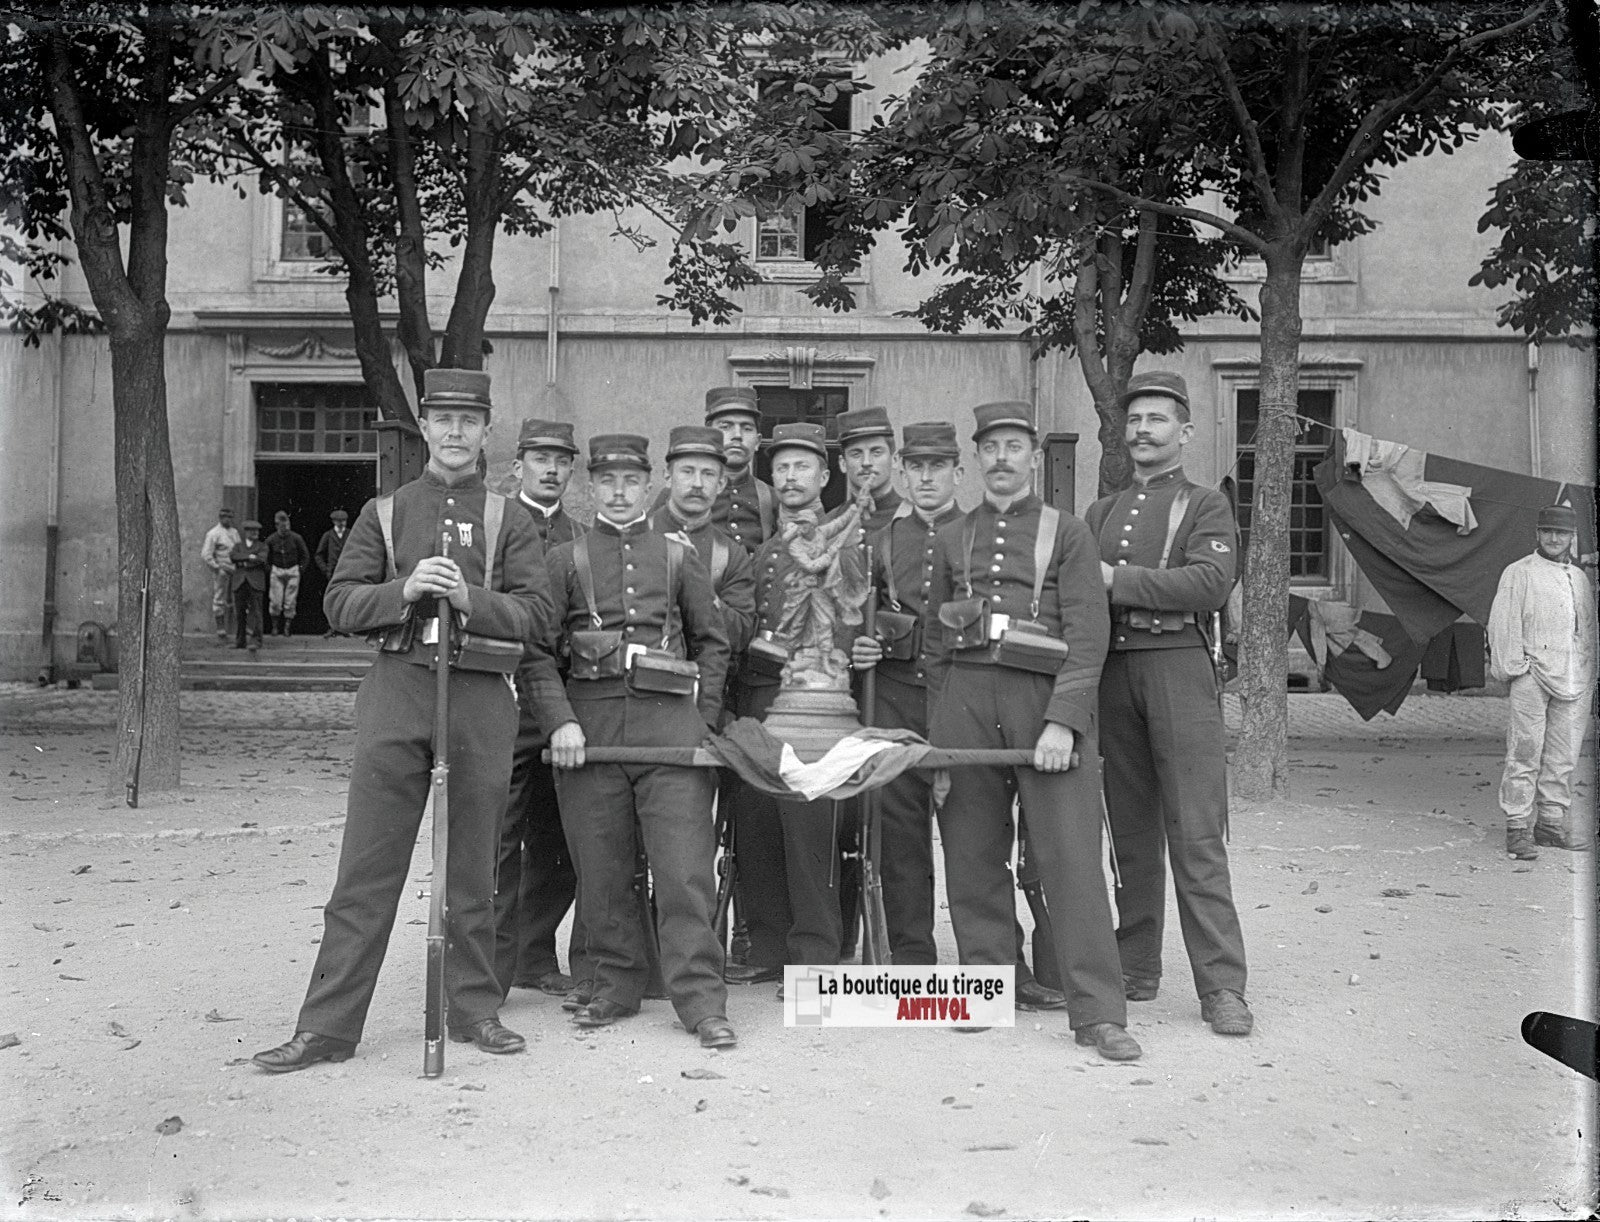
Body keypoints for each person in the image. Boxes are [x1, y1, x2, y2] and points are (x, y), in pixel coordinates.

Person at [253, 368, 552, 1072]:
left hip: (480, 698)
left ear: (487, 430)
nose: (455, 433)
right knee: (366, 869)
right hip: (397, 693)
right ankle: (328, 1026)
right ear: (423, 426)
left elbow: (540, 616)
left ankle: (473, 1009)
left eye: (469, 421)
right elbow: (339, 603)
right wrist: (405, 589)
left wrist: (473, 599)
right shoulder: (384, 513)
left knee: (472, 870)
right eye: (443, 419)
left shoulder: (508, 518)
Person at [925, 401, 1140, 1060]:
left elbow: (1089, 636)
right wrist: (938, 740)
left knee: (1070, 861)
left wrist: (1064, 723)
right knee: (970, 857)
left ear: (1033, 457)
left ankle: (1098, 1012)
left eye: (1014, 446)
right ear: (976, 457)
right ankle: (985, 992)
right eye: (990, 447)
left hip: (1044, 705)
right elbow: (935, 647)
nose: (1001, 458)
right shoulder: (952, 537)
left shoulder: (1068, 533)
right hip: (966, 707)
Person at [528, 433, 737, 1049]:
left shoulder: (677, 556)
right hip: (589, 736)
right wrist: (559, 721)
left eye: (630, 482)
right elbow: (537, 653)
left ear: (649, 486)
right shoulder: (565, 560)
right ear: (590, 488)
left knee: (684, 874)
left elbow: (713, 644)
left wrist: (703, 723)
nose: (619, 493)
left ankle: (701, 1002)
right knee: (602, 872)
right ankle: (614, 986)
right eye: (607, 482)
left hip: (672, 735)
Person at [1083, 370, 1252, 1039]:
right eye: (1134, 420)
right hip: (1113, 673)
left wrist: (1115, 580)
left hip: (1178, 667)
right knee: (1129, 833)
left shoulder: (1206, 505)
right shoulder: (1101, 513)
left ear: (1185, 431)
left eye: (1156, 419)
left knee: (1195, 832)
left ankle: (1222, 985)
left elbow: (1209, 584)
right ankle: (1136, 965)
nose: (1143, 430)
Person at [726, 422, 860, 985]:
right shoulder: (763, 551)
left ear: (825, 476)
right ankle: (767, 947)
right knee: (758, 822)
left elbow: (852, 618)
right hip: (762, 698)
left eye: (802, 466)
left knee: (809, 830)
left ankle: (815, 957)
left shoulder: (844, 541)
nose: (790, 477)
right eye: (781, 467)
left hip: (816, 703)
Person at [847, 422, 962, 967]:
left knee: (973, 839)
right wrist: (859, 644)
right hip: (894, 699)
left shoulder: (978, 534)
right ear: (902, 471)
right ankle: (913, 959)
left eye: (937, 467)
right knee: (899, 840)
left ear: (958, 472)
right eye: (916, 467)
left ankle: (996, 960)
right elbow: (849, 614)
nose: (926, 478)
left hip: (961, 701)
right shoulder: (881, 542)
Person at [495, 417, 589, 1004]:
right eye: (539, 459)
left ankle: (533, 955)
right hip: (505, 702)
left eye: (561, 460)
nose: (550, 469)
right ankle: (490, 966)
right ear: (518, 466)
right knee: (498, 840)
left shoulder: (582, 538)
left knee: (559, 837)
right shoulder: (497, 525)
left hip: (563, 705)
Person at [1488, 501, 1595, 859]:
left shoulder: (1579, 578)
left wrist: (1586, 669)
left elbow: (1587, 628)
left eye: (1561, 533)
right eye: (1547, 531)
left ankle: (1550, 825)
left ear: (1572, 537)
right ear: (1537, 534)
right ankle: (1518, 827)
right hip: (1532, 673)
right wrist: (1515, 667)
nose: (1553, 538)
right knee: (1524, 752)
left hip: (1573, 677)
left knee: (1563, 756)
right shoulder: (1519, 572)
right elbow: (1504, 622)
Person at [647, 424, 758, 672]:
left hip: (707, 681)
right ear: (667, 476)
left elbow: (740, 634)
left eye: (708, 474)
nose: (697, 484)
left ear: (721, 484)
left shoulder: (731, 555)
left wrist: (700, 583)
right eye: (687, 472)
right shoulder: (637, 535)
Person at [650, 387, 775, 554]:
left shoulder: (771, 498)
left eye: (747, 428)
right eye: (726, 426)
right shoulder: (675, 494)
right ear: (709, 437)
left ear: (758, 442)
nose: (737, 435)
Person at [836, 406, 904, 534]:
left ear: (895, 459)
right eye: (856, 454)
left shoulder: (915, 519)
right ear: (843, 463)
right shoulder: (829, 523)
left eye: (876, 452)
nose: (866, 462)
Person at [265, 510, 311, 638]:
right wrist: (270, 569)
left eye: (286, 525)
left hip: (292, 571)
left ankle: (287, 627)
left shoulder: (296, 538)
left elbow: (305, 555)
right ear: (277, 525)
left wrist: (299, 569)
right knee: (275, 601)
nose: (285, 528)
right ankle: (275, 626)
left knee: (290, 601)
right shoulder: (271, 539)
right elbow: (265, 557)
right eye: (282, 525)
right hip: (277, 571)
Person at [229, 520, 269, 654]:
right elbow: (233, 556)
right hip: (240, 582)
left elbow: (262, 559)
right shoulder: (238, 546)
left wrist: (243, 561)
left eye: (257, 531)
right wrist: (250, 557)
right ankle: (240, 640)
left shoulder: (262, 546)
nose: (255, 533)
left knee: (256, 612)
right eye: (252, 531)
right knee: (240, 612)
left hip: (256, 582)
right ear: (246, 532)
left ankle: (256, 640)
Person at [201, 506, 240, 641]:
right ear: (220, 518)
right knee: (219, 598)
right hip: (222, 570)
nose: (227, 520)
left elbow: (239, 549)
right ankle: (221, 627)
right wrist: (217, 567)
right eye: (225, 517)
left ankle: (235, 628)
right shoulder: (213, 533)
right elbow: (206, 554)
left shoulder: (234, 532)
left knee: (234, 598)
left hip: (235, 570)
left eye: (230, 517)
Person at [314, 510, 350, 637]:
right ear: (334, 521)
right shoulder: (328, 535)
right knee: (332, 600)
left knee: (346, 599)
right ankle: (332, 627)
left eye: (343, 521)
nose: (341, 523)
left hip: (347, 571)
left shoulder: (351, 534)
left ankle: (345, 628)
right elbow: (318, 554)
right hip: (333, 573)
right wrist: (325, 569)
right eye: (339, 521)